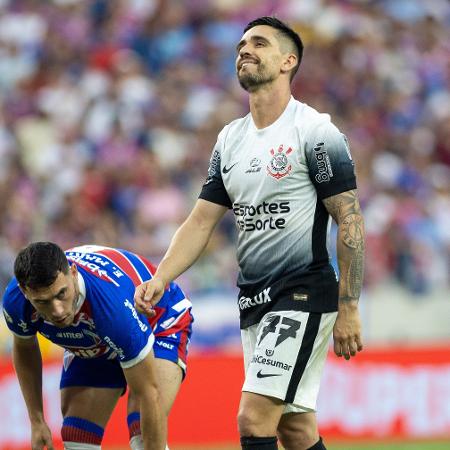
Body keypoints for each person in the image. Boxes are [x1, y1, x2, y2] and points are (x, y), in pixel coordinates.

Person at [134, 16, 365, 450]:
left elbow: (349, 218)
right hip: (253, 299)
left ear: (287, 61)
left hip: (302, 292)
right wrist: (162, 276)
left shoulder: (315, 131)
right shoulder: (230, 139)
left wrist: (349, 306)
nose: (245, 50)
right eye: (242, 44)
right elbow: (201, 219)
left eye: (259, 43)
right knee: (295, 430)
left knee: (252, 417)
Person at [2, 242, 193, 450]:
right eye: (42, 302)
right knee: (77, 440)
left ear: (73, 273)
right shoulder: (15, 301)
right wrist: (37, 419)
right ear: (24, 291)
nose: (57, 311)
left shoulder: (112, 310)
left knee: (142, 431)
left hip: (158, 318)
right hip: (97, 336)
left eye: (61, 294)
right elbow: (25, 348)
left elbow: (148, 394)